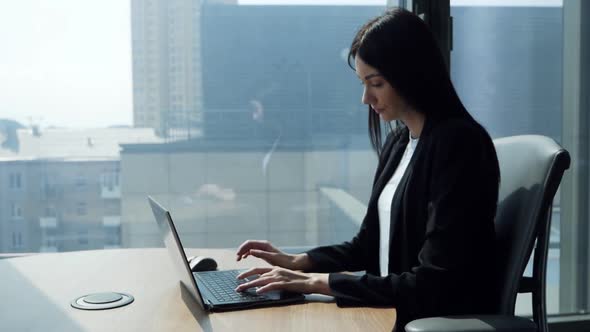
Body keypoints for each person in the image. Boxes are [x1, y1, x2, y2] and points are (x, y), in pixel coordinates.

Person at [234, 8, 500, 331]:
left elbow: (434, 282)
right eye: (363, 83)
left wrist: (317, 282)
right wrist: (298, 262)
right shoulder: (400, 143)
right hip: (389, 311)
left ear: (411, 74)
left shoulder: (459, 145)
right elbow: (367, 244)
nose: (366, 98)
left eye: (376, 83)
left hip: (421, 319)